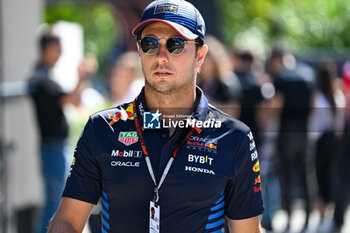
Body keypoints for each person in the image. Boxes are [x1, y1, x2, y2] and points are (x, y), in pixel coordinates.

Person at [48, 1, 264, 232]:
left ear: (200, 55)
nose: (161, 56)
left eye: (175, 44)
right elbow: (68, 220)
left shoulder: (233, 137)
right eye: (150, 44)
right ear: (139, 51)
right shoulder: (102, 129)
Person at [28, 33, 90, 233]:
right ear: (48, 49)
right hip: (52, 147)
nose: (60, 52)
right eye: (58, 47)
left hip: (55, 147)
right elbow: (70, 100)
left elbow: (73, 101)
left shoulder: (45, 76)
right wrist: (81, 77)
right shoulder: (41, 78)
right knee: (55, 203)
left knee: (56, 201)